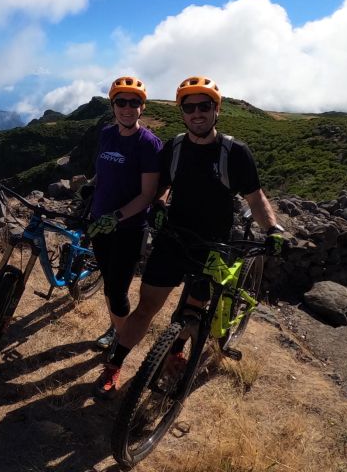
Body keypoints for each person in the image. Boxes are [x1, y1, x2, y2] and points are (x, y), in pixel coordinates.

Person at [102, 75, 286, 397]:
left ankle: (176, 349)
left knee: (192, 309)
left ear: (217, 110)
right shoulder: (173, 147)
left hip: (214, 243)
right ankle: (114, 366)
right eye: (189, 107)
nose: (196, 113)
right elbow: (163, 184)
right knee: (146, 308)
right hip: (173, 237)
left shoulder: (235, 153)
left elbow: (255, 198)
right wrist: (159, 203)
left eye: (204, 106)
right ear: (182, 112)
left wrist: (272, 229)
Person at [86, 76, 162, 398]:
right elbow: (103, 175)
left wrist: (115, 217)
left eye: (134, 102)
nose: (128, 108)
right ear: (113, 105)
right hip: (98, 222)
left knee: (117, 289)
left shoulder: (148, 144)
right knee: (108, 281)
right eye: (122, 102)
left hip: (128, 229)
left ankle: (120, 347)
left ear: (142, 107)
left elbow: (148, 195)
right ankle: (117, 329)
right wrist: (90, 192)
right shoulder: (105, 134)